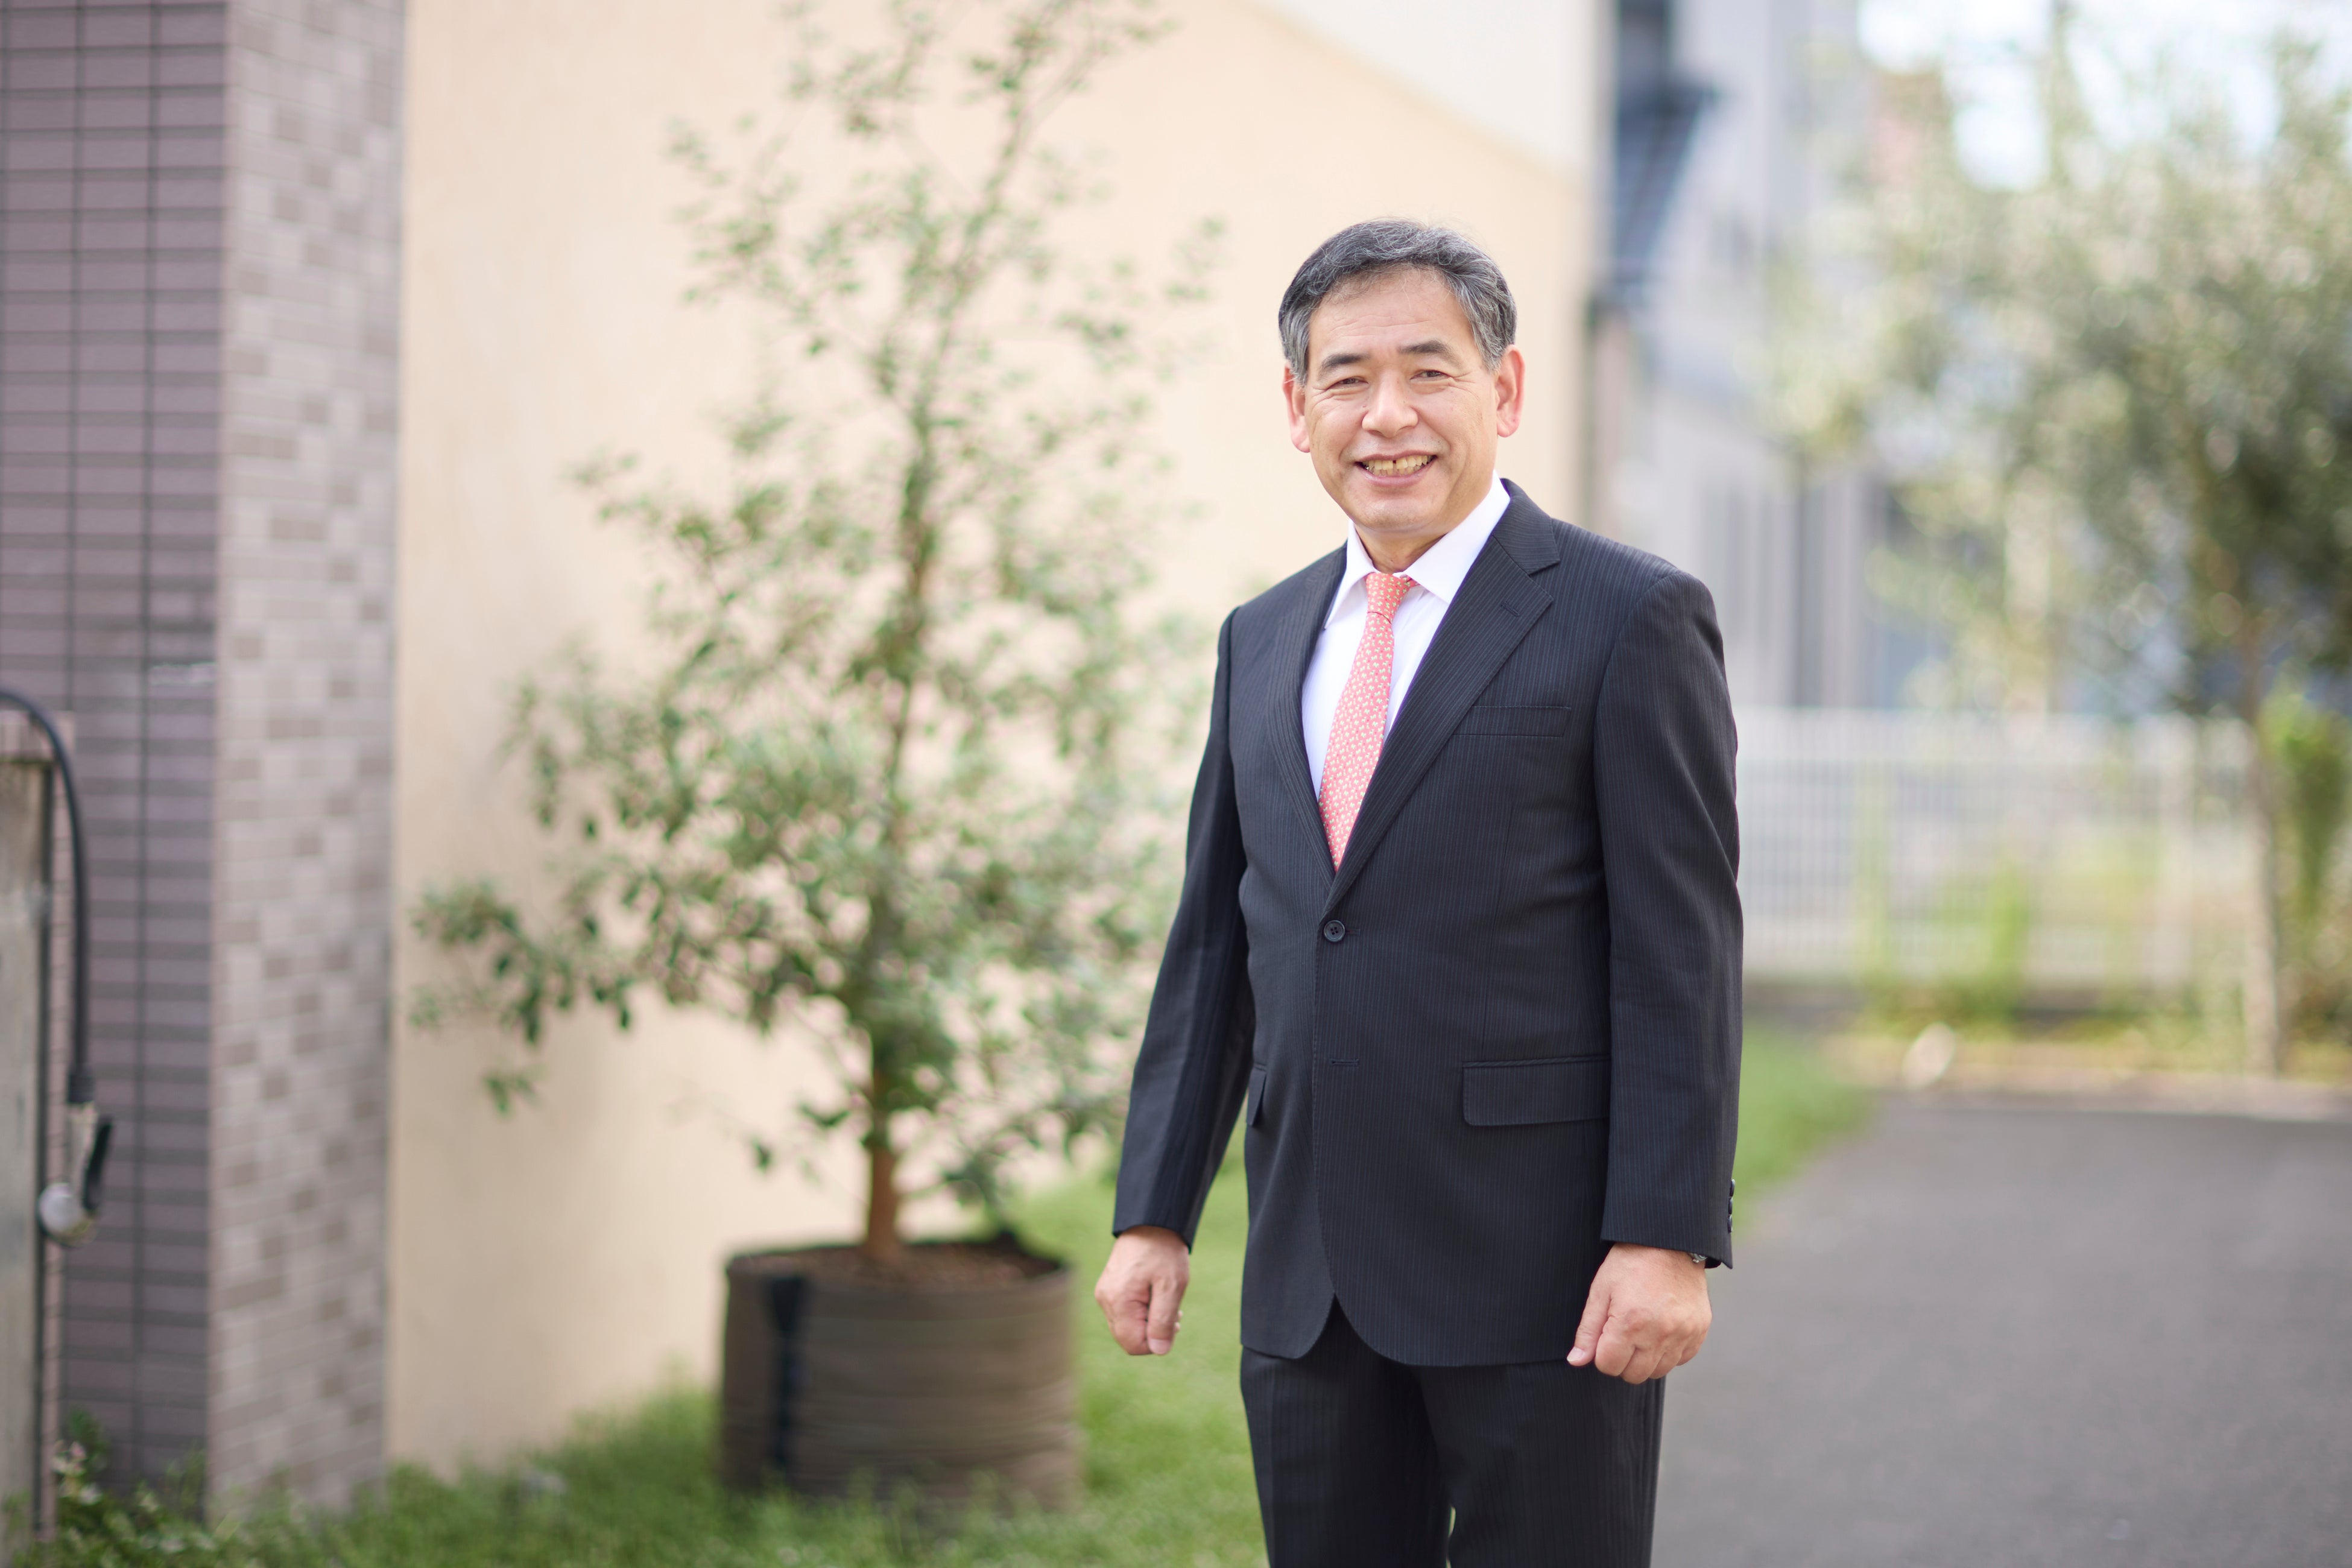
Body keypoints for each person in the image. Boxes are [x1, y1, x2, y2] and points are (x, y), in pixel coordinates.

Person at [1093, 220, 1742, 1567]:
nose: (1387, 415)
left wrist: (1665, 1238)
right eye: (1347, 378)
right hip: (1309, 1282)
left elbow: (1678, 954)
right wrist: (1155, 1208)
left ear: (1505, 390)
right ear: (1297, 409)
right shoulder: (1261, 638)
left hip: (1546, 1284)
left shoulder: (1627, 617)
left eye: (1428, 371)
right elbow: (1218, 946)